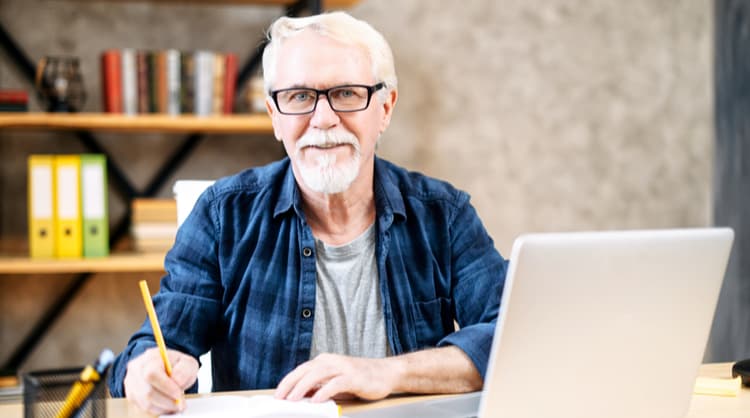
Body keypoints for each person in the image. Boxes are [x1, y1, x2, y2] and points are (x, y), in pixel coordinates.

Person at [108, 11, 507, 415]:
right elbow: (153, 349)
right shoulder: (222, 215)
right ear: (274, 117)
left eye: (347, 93)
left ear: (385, 108)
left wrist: (385, 374)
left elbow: (510, 337)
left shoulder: (446, 215)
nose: (323, 119)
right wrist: (144, 373)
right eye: (299, 97)